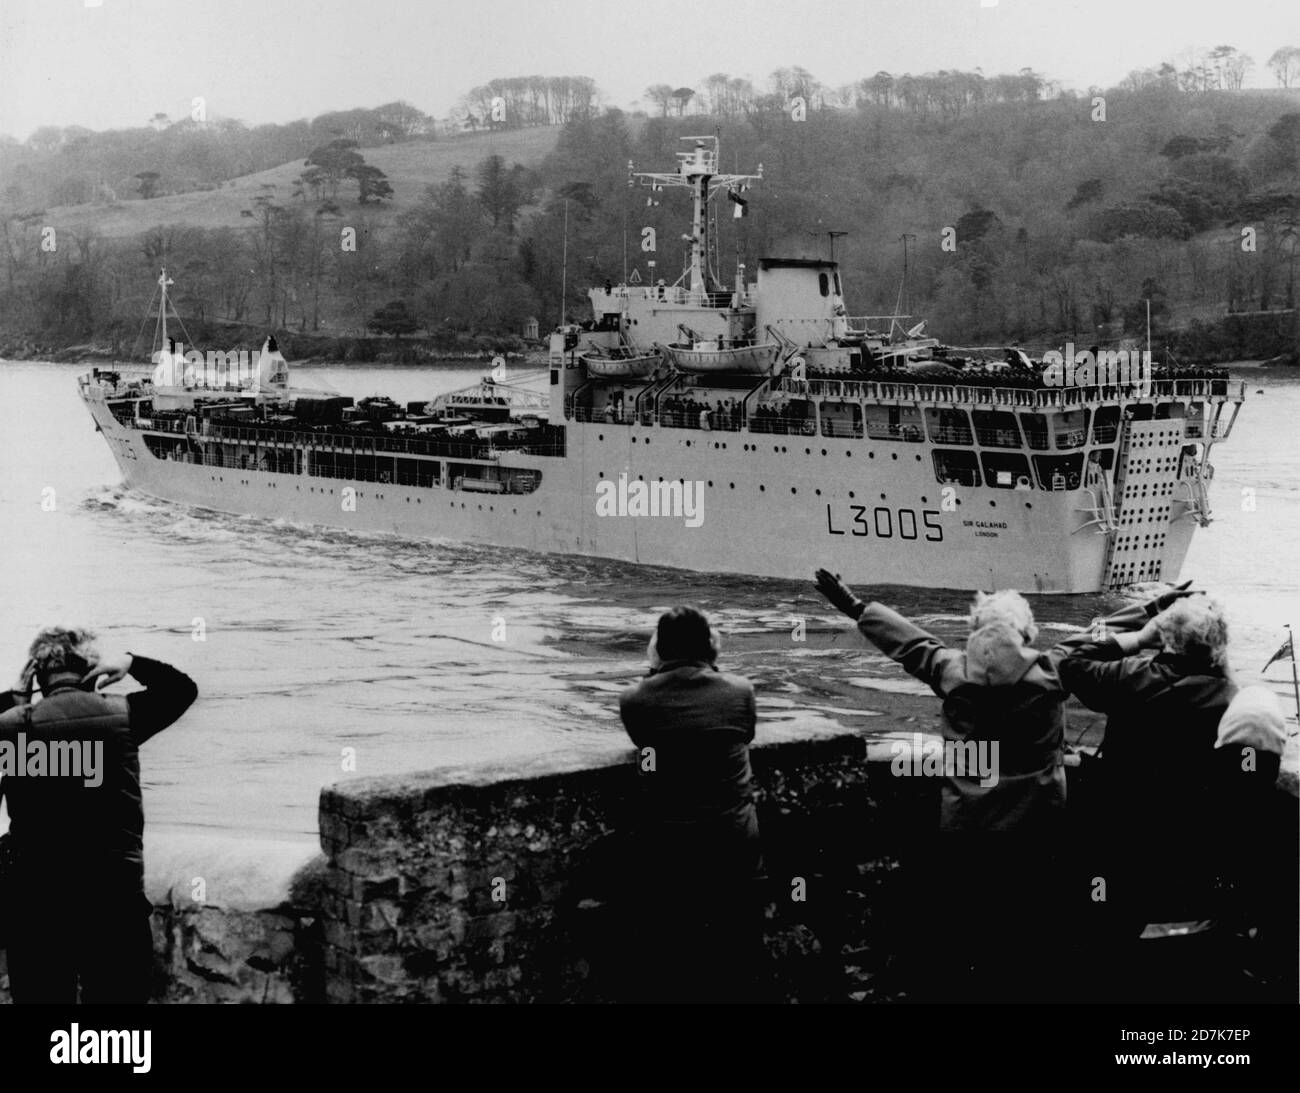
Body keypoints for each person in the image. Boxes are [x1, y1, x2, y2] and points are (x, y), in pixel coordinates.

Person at [813, 568, 1099, 1001]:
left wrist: (855, 606)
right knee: (1033, 932)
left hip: (966, 824)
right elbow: (1104, 637)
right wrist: (1155, 608)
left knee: (965, 930)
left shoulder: (952, 672)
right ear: (1028, 632)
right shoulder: (1050, 673)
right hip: (1038, 823)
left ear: (975, 632)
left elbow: (908, 642)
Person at [0, 627, 197, 1004]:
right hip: (114, 898)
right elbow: (181, 690)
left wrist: (15, 698)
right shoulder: (123, 716)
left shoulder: (14, 729)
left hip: (36, 904)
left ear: (37, 676)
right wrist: (132, 663)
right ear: (91, 670)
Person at [1056, 592, 1238, 981]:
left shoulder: (1133, 677)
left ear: (1167, 638)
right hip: (1184, 830)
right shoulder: (1230, 696)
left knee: (1102, 899)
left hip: (1119, 819)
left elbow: (1072, 659)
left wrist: (1136, 638)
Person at [618, 606, 764, 1002]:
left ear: (656, 649)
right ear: (712, 646)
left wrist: (655, 670)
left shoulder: (634, 700)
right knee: (736, 955)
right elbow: (744, 733)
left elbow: (645, 736)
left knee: (674, 959)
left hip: (669, 845)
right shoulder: (741, 691)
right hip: (734, 843)